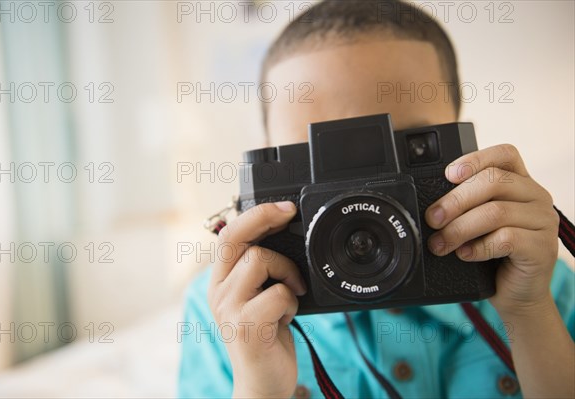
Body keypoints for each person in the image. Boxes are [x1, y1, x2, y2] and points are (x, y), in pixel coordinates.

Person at [177, 1, 575, 397]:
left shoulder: (536, 283)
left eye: (410, 147)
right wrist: (259, 387)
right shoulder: (225, 312)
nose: (364, 196)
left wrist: (528, 315)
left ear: (462, 142)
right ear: (266, 169)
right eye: (313, 160)